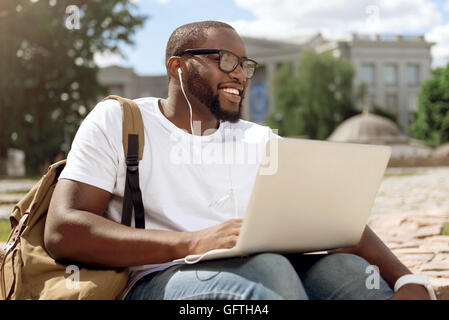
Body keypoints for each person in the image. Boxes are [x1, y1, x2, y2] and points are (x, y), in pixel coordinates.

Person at [44, 21, 432, 300]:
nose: (241, 76)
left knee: (347, 273)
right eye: (226, 60)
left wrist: (405, 279)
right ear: (177, 67)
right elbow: (64, 230)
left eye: (246, 66)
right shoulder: (120, 120)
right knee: (268, 272)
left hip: (264, 268)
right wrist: (193, 242)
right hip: (156, 281)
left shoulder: (258, 138)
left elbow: (332, 222)